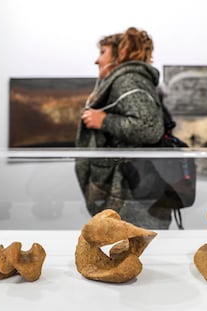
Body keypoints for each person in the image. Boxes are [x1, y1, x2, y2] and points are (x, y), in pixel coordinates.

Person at [75, 27, 176, 229]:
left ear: (120, 54)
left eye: (103, 53)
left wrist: (103, 120)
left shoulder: (128, 80)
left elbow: (149, 127)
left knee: (131, 252)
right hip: (132, 192)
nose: (98, 60)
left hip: (129, 195)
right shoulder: (131, 79)